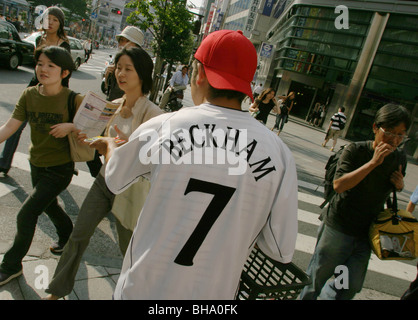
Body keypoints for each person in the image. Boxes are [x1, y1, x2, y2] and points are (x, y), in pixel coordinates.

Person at [102, 29, 298, 299]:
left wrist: (110, 146)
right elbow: (280, 248)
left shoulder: (166, 125)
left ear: (201, 74)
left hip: (143, 288)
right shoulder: (279, 154)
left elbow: (114, 178)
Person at [43, 46, 163, 300]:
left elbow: (152, 160)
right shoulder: (113, 105)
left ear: (142, 74)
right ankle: (57, 290)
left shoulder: (155, 115)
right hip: (104, 181)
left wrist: (122, 145)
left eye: (128, 69)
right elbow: (105, 145)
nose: (121, 73)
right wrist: (98, 142)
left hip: (130, 191)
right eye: (119, 67)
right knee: (78, 234)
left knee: (129, 250)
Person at [0, 46, 81, 286]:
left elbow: (94, 128)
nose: (43, 69)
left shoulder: (74, 99)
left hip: (60, 168)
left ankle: (11, 266)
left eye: (51, 65)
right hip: (37, 164)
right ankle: (67, 235)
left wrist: (71, 126)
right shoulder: (29, 95)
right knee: (49, 206)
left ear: (64, 72)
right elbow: (11, 126)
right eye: (40, 63)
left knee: (27, 213)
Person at [300, 103, 411, 300]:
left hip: (366, 233)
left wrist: (400, 185)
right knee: (316, 279)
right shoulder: (355, 151)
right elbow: (339, 185)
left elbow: (393, 188)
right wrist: (373, 163)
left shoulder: (399, 157)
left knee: (348, 285)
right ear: (376, 127)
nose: (395, 140)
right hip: (339, 227)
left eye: (401, 135)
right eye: (390, 132)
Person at [0, 6, 71, 177]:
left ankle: (64, 163)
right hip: (34, 88)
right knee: (16, 125)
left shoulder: (64, 44)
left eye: (55, 19)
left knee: (54, 131)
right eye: (48, 19)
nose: (51, 22)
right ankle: (3, 164)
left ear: (60, 23)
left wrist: (60, 95)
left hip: (55, 92)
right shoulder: (40, 39)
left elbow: (65, 74)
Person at [105, 26, 144, 101]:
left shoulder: (140, 65)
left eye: (127, 41)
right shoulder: (117, 60)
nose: (123, 44)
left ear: (136, 46)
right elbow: (108, 87)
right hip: (112, 104)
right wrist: (108, 74)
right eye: (121, 40)